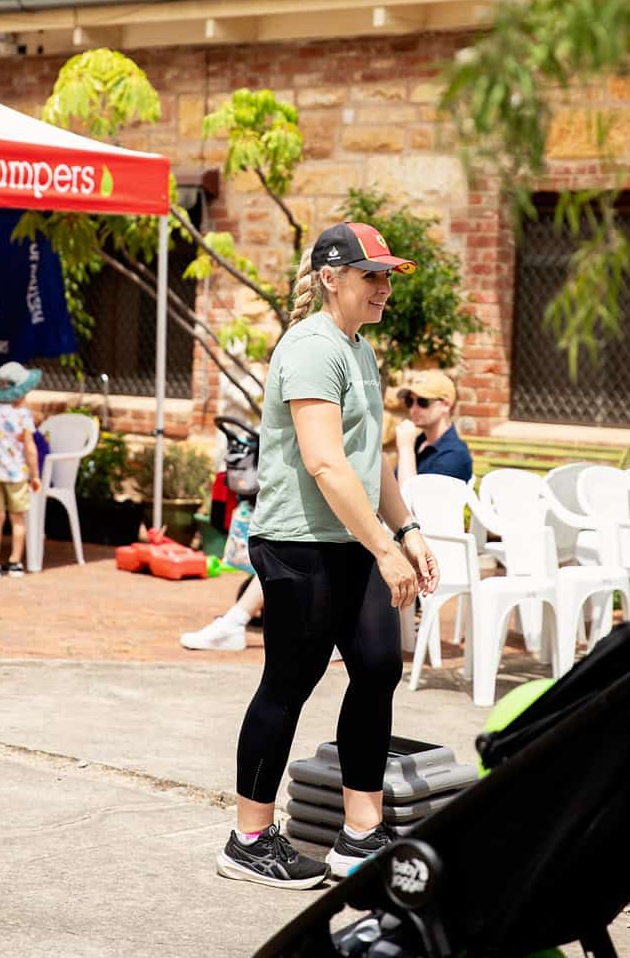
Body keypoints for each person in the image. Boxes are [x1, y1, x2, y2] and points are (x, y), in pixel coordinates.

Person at [216, 221, 439, 891]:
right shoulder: (313, 348)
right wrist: (384, 546)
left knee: (376, 667)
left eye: (387, 276)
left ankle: (360, 834)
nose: (383, 288)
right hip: (300, 544)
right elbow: (323, 462)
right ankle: (248, 839)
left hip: (354, 539)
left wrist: (407, 529)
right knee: (290, 681)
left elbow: (367, 461)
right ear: (330, 278)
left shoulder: (358, 349)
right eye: (372, 276)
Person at [0, 362, 42, 578]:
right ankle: (15, 561)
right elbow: (30, 447)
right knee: (18, 517)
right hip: (18, 474)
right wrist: (35, 474)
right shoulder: (23, 416)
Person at [395, 369, 473, 487]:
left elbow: (410, 496)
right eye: (409, 401)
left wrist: (406, 449)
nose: (413, 409)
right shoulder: (419, 442)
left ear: (445, 405)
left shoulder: (454, 455)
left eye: (422, 402)